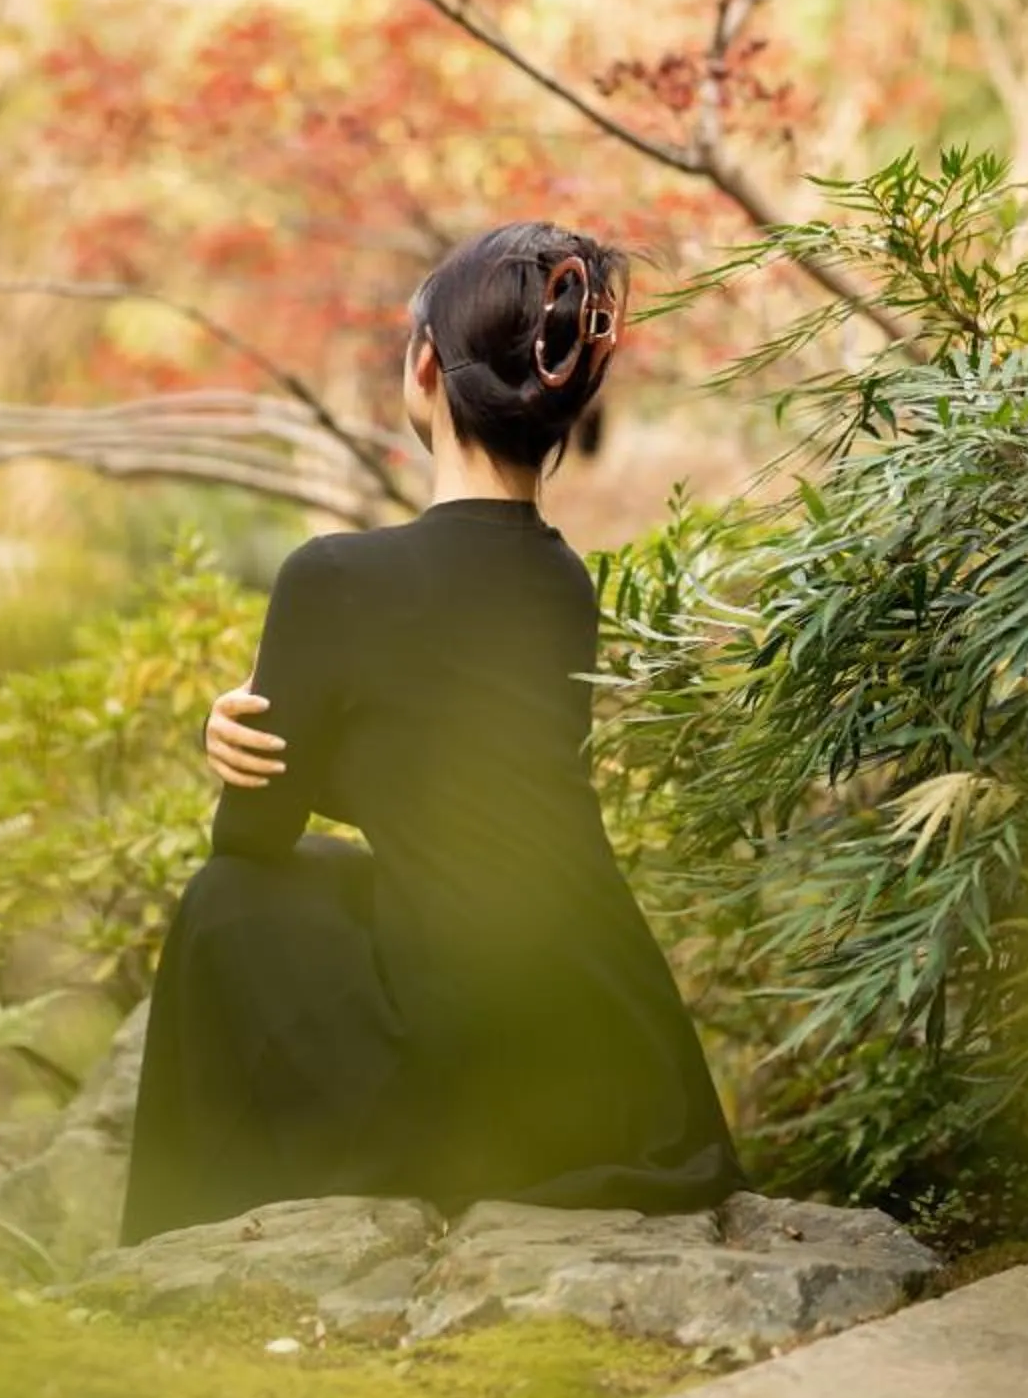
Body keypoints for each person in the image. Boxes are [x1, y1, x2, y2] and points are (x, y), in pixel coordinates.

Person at [120, 220, 742, 1246]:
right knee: (334, 867)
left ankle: (182, 1243)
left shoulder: (332, 579)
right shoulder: (562, 584)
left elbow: (248, 839)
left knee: (225, 899)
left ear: (421, 367)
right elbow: (466, 807)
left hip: (465, 1068)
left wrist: (241, 744)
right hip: (610, 1057)